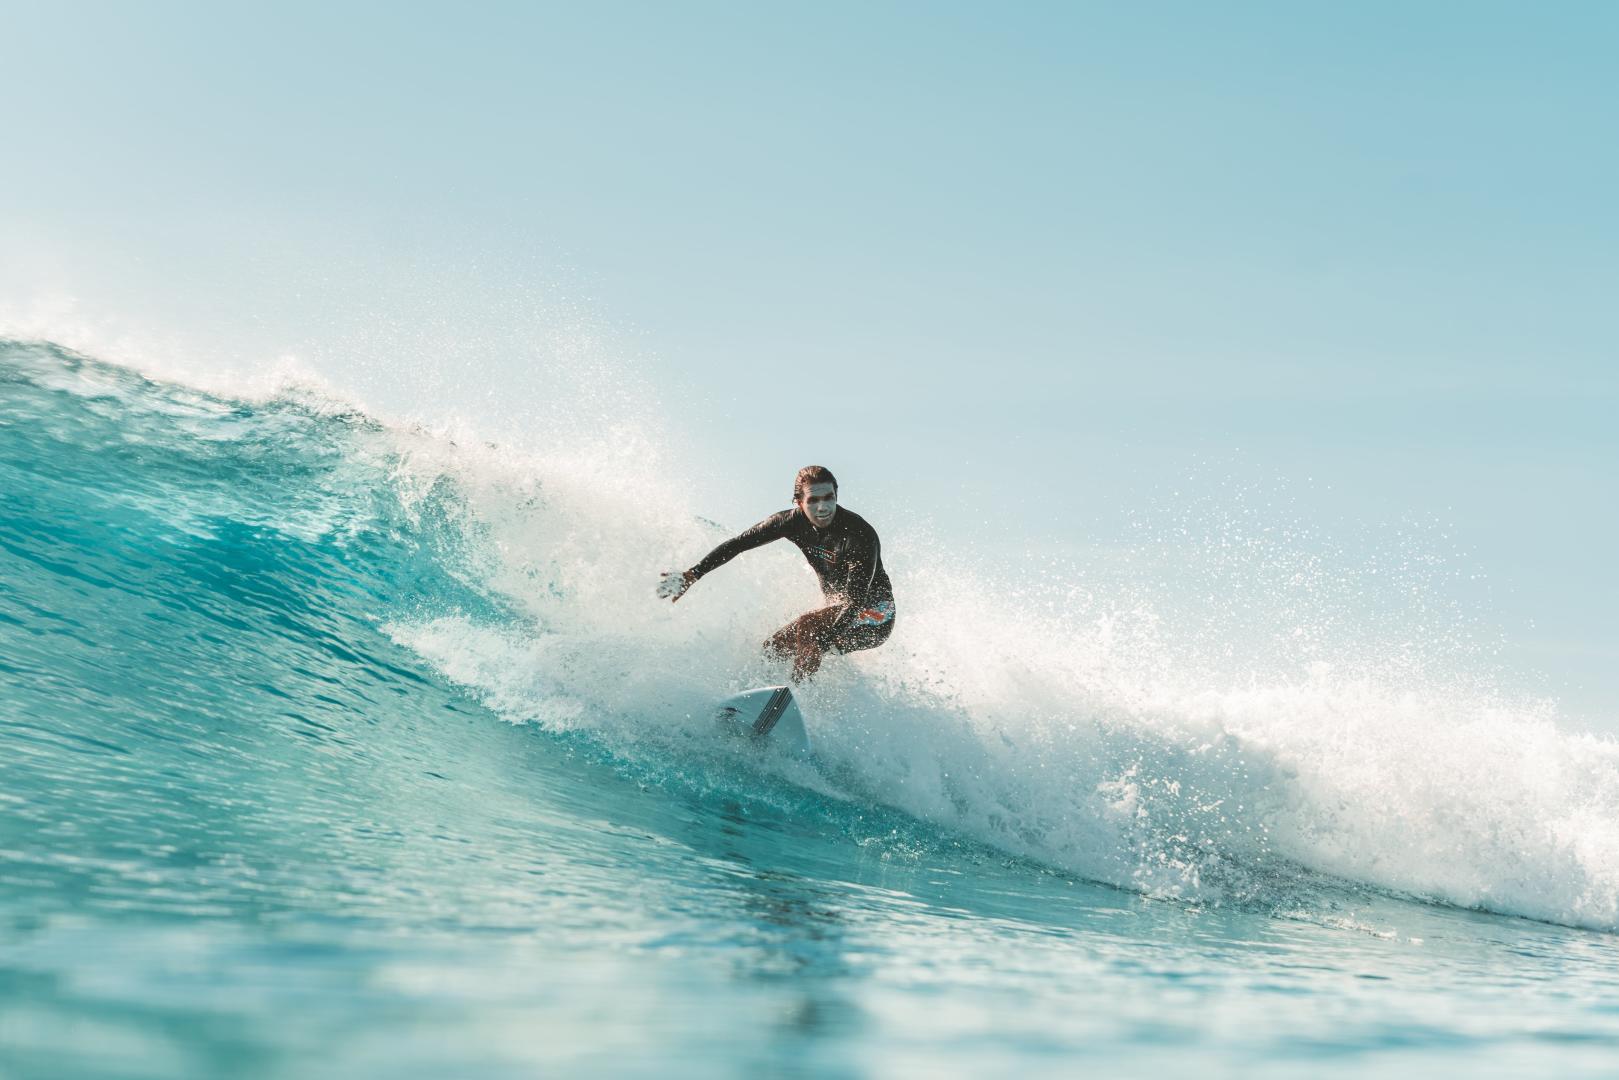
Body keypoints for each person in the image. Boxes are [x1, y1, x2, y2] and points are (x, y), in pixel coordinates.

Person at [657, 465, 895, 682]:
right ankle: (761, 695)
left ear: (836, 496)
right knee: (773, 648)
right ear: (798, 502)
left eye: (828, 498)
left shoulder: (858, 534)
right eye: (813, 500)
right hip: (841, 612)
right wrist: (693, 574)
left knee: (809, 626)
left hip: (875, 615)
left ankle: (795, 696)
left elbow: (853, 603)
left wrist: (824, 641)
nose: (823, 508)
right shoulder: (789, 522)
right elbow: (738, 544)